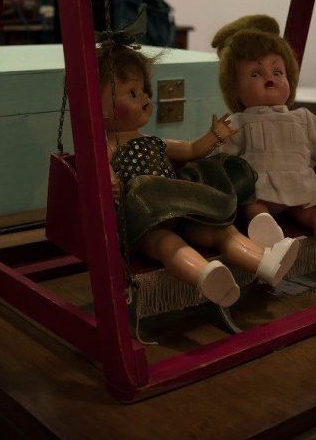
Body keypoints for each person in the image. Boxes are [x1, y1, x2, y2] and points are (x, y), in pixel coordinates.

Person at [99, 36, 299, 308]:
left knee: (221, 230)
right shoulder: (109, 146)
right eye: (132, 93)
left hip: (181, 210)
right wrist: (109, 180)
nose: (145, 97)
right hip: (145, 221)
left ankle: (266, 264)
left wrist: (213, 136)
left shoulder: (154, 141)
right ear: (98, 109)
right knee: (167, 244)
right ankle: (206, 277)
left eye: (144, 90)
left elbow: (192, 149)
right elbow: (100, 168)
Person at [211, 15, 316, 278]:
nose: (269, 78)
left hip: (301, 188)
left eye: (277, 72)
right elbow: (222, 157)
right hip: (261, 190)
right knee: (254, 209)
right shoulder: (239, 122)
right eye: (255, 74)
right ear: (235, 90)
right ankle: (275, 249)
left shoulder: (303, 118)